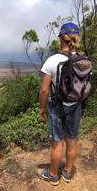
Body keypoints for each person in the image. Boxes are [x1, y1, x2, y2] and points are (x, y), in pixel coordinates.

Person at [37, 22, 82, 186]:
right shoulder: (82, 59)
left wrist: (41, 109)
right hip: (76, 106)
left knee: (57, 143)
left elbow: (44, 90)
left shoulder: (52, 60)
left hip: (57, 107)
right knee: (72, 140)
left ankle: (53, 175)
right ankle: (68, 173)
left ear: (61, 39)